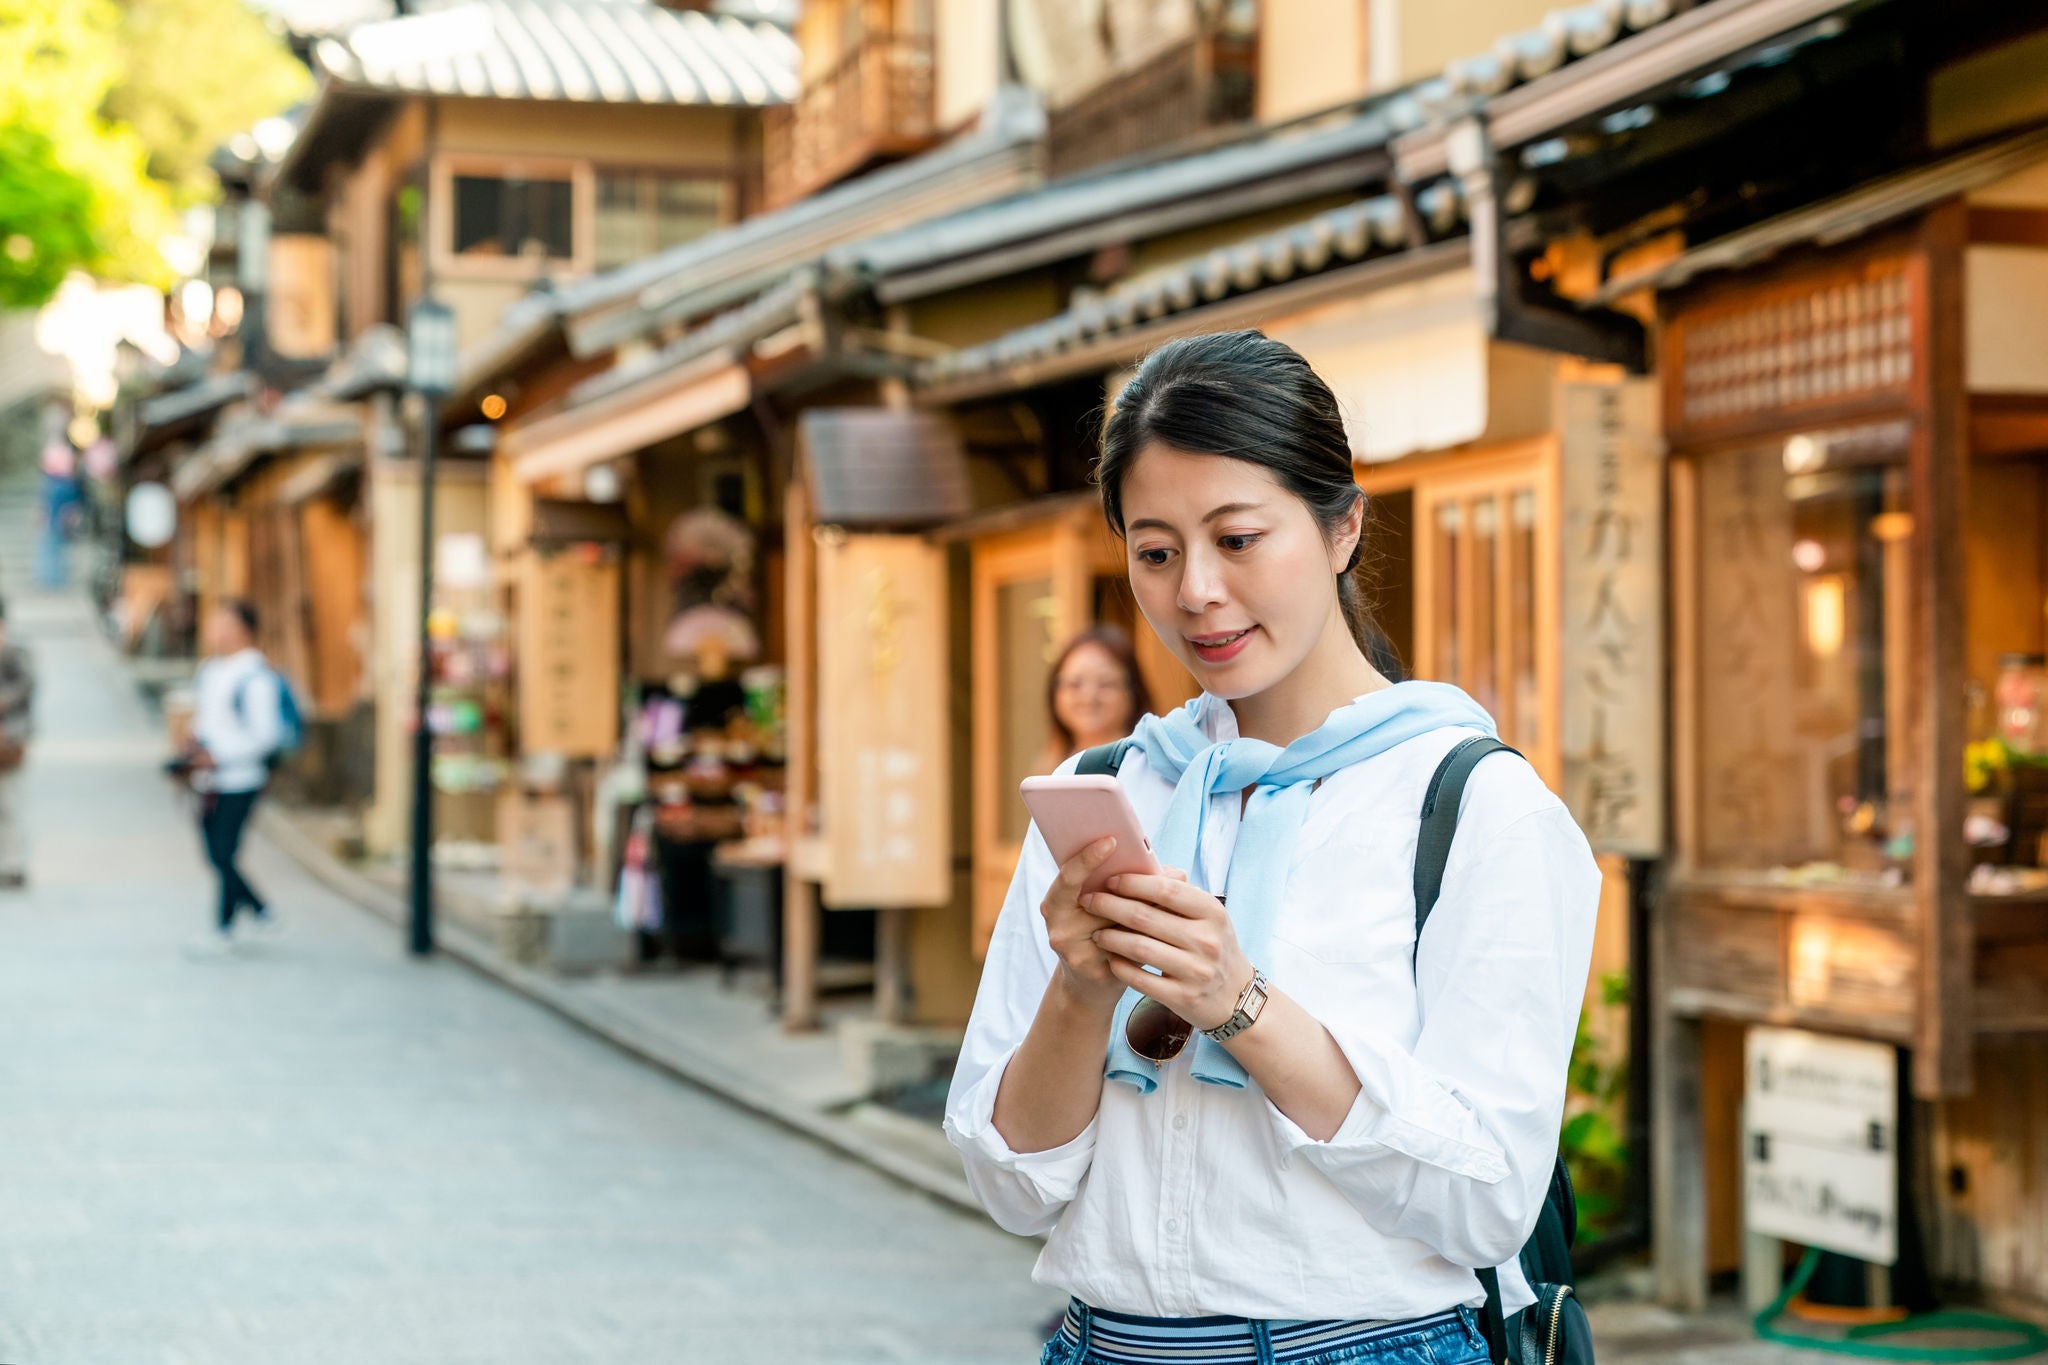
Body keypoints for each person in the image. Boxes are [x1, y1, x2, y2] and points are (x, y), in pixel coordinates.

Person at [945, 331, 1600, 1365]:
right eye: (1155, 552)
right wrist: (1079, 989)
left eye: (1238, 539)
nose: (1195, 591)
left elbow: (1486, 1202)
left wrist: (1238, 1004)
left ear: (1341, 528)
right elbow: (1010, 1186)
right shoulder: (1103, 794)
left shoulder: (1477, 809)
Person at [181, 600, 283, 942]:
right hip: (208, 778)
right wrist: (194, 742)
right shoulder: (211, 671)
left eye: (221, 622)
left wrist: (220, 757)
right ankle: (255, 909)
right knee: (216, 853)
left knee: (223, 853)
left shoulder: (257, 677)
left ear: (241, 628)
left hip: (241, 778)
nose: (213, 629)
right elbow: (208, 721)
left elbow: (267, 735)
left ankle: (230, 924)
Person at [1038, 626, 1153, 776]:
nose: (1088, 697)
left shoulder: (1150, 767)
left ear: (1133, 691)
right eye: (1075, 684)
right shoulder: (1048, 768)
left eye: (1105, 683)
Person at [0, 600, 34, 888]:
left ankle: (13, 864)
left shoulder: (14, 651)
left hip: (8, 741)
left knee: (10, 802)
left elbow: (27, 685)